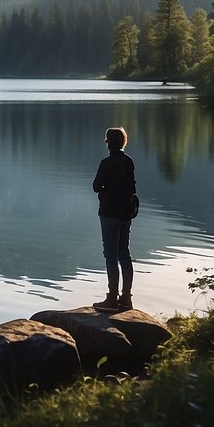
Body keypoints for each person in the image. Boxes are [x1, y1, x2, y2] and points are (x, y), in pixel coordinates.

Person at [92, 126, 135, 312]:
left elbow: (95, 186)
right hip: (126, 214)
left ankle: (111, 298)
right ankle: (126, 297)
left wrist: (104, 189)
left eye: (106, 140)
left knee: (110, 255)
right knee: (124, 254)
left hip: (109, 214)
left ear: (108, 143)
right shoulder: (128, 161)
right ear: (123, 142)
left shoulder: (106, 162)